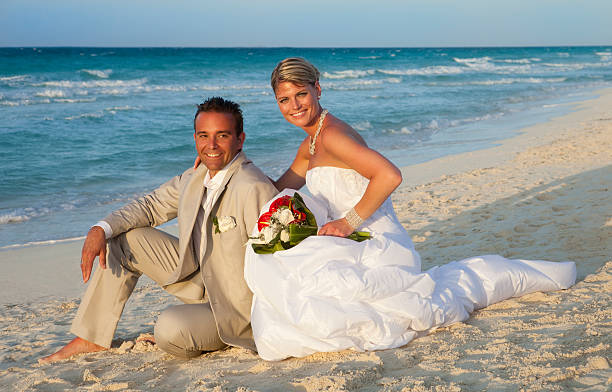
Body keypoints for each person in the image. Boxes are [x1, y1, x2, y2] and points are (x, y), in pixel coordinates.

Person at [242, 57, 577, 361]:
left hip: (373, 237)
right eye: (284, 100)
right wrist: (231, 165)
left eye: (300, 94)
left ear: (317, 89)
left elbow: (389, 175)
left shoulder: (332, 136)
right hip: (349, 237)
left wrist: (347, 222)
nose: (294, 106)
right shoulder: (310, 143)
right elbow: (278, 187)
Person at [40, 97, 278, 363]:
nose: (211, 146)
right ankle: (91, 338)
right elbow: (150, 206)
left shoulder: (253, 186)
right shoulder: (194, 176)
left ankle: (210, 334)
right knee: (123, 238)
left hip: (234, 308)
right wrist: (99, 228)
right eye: (204, 136)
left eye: (221, 136)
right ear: (195, 138)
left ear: (239, 139)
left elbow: (277, 261)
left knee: (169, 328)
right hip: (197, 280)